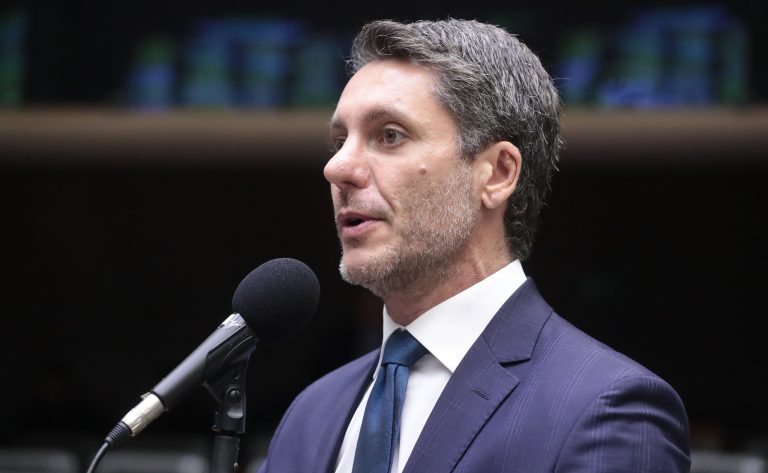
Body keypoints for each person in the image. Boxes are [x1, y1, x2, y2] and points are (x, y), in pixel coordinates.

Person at [257, 19, 690, 473]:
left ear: (498, 173)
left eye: (389, 135)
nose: (337, 168)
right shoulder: (311, 414)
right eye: (340, 141)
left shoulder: (606, 409)